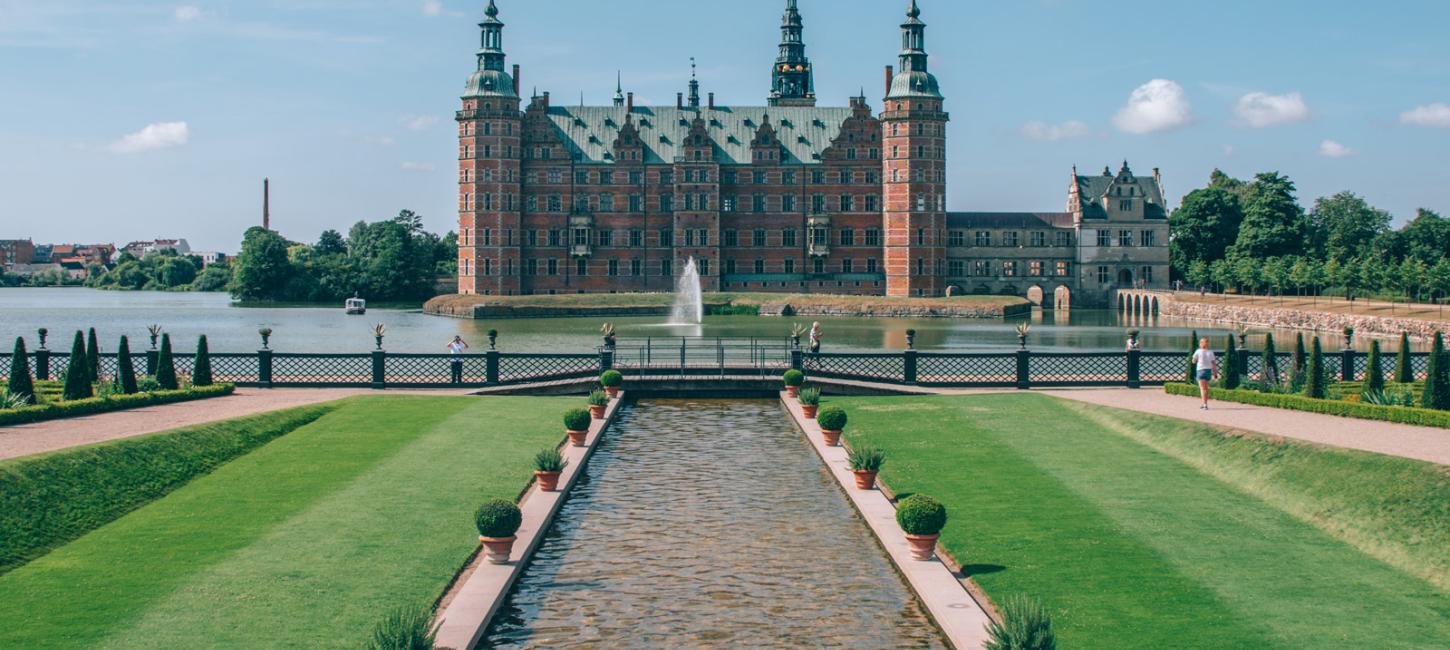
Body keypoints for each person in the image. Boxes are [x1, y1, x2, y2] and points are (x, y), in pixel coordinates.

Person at [1191, 338, 1217, 410]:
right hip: (1208, 371)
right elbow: (1214, 364)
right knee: (1206, 389)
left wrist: (1195, 360)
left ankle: (1204, 404)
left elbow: (1193, 361)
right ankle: (1204, 403)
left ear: (1201, 344)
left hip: (1200, 370)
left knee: (1202, 389)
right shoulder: (1210, 352)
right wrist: (1215, 373)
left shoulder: (1198, 351)